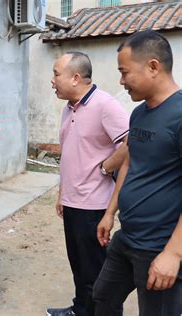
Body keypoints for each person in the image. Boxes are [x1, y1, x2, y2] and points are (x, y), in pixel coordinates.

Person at [93, 30, 182, 316]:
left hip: (159, 245)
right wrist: (110, 212)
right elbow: (130, 162)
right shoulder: (139, 113)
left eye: (124, 72)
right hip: (128, 236)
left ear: (153, 67)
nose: (121, 81)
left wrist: (173, 253)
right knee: (103, 297)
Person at [47, 52, 129, 316]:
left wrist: (106, 167)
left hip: (93, 205)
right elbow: (70, 153)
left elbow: (129, 144)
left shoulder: (105, 105)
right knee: (79, 266)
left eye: (56, 74)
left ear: (75, 77)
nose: (53, 80)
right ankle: (79, 309)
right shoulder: (69, 107)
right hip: (72, 201)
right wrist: (62, 193)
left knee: (96, 271)